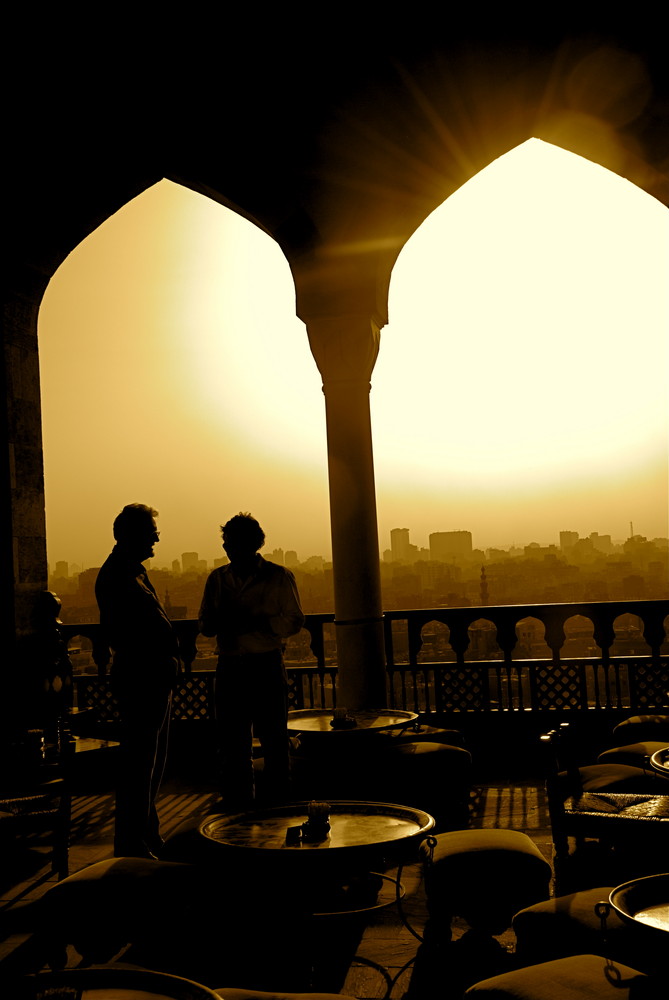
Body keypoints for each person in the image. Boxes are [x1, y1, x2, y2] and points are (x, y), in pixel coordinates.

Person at [198, 512, 305, 808]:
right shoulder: (217, 580)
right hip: (233, 667)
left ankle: (277, 805)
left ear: (254, 544)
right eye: (227, 542)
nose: (229, 548)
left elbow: (295, 620)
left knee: (273, 741)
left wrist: (258, 624)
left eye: (234, 542)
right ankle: (240, 807)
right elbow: (205, 624)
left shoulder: (278, 576)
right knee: (234, 745)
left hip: (264, 665)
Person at [95, 503, 180, 858]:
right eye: (151, 534)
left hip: (153, 676)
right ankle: (132, 842)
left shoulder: (133, 572)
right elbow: (129, 629)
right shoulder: (118, 576)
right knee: (140, 765)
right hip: (140, 677)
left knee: (150, 763)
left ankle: (145, 834)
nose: (156, 540)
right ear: (131, 535)